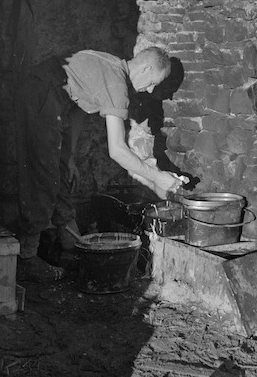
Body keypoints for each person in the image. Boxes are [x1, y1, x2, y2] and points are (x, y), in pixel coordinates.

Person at [16, 46, 185, 282]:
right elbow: (117, 150)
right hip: (41, 94)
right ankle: (27, 257)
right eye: (153, 82)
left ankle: (70, 246)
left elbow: (77, 111)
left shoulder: (111, 64)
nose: (151, 90)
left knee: (60, 173)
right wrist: (157, 177)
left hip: (50, 95)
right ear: (145, 68)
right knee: (43, 175)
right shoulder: (116, 85)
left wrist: (69, 157)